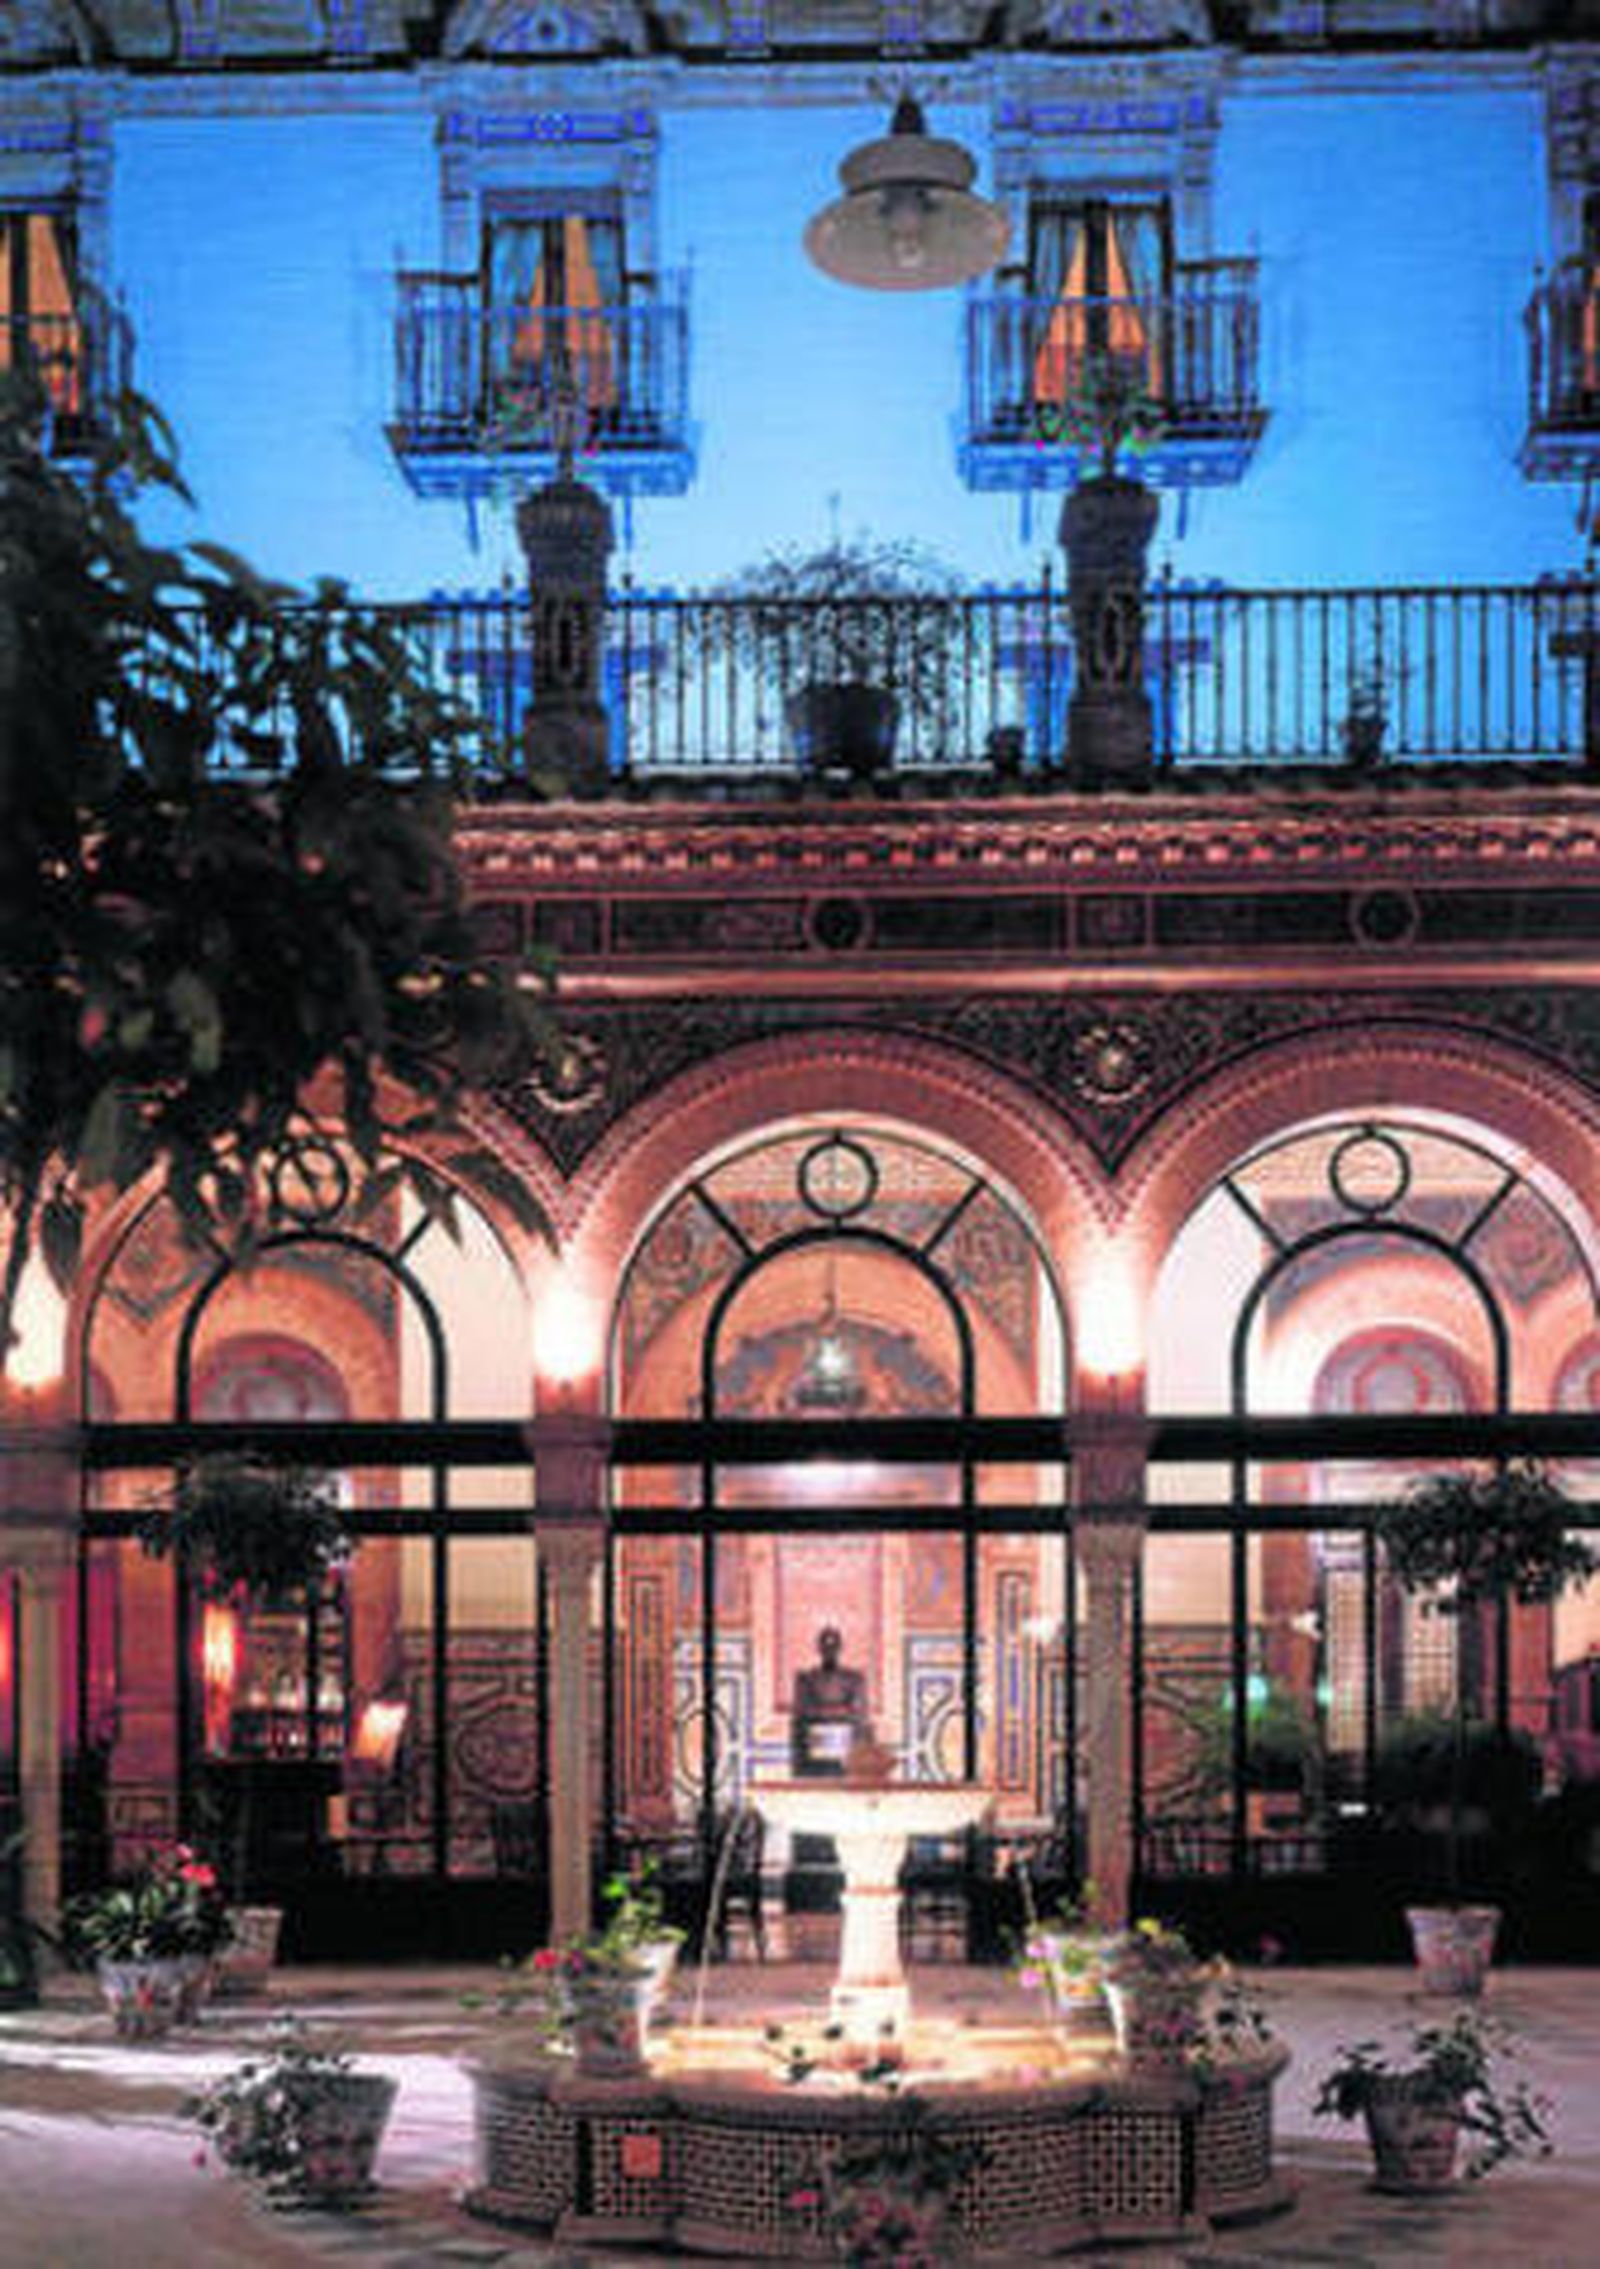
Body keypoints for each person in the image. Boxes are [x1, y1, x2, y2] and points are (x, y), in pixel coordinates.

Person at [791, 1625, 870, 1776]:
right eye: (825, 1645)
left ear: (839, 1647)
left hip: (846, 1752)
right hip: (813, 1755)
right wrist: (838, 1710)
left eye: (833, 1645)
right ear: (819, 1648)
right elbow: (802, 1711)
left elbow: (858, 1712)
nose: (829, 1650)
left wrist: (825, 1711)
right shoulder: (807, 1679)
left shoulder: (852, 1679)